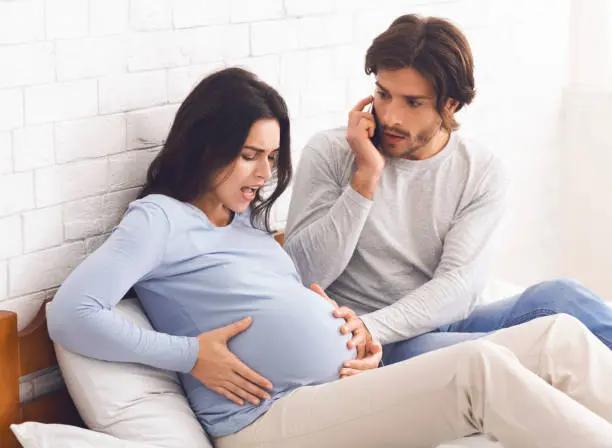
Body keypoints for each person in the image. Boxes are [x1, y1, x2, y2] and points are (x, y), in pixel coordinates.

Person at [48, 68, 612, 447]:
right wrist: (190, 354)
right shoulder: (160, 219)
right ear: (204, 147)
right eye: (248, 156)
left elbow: (293, 300)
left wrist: (353, 335)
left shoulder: (247, 226)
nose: (264, 175)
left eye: (270, 157)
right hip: (264, 423)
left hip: (340, 388)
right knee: (478, 372)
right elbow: (72, 313)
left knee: (555, 333)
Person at [284, 14, 612, 367]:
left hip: (419, 323)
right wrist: (365, 179)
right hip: (376, 347)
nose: (391, 116)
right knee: (497, 354)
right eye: (383, 94)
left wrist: (373, 325)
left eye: (413, 103)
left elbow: (459, 286)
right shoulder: (332, 152)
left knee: (563, 296)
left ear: (450, 104)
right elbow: (303, 273)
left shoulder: (480, 170)